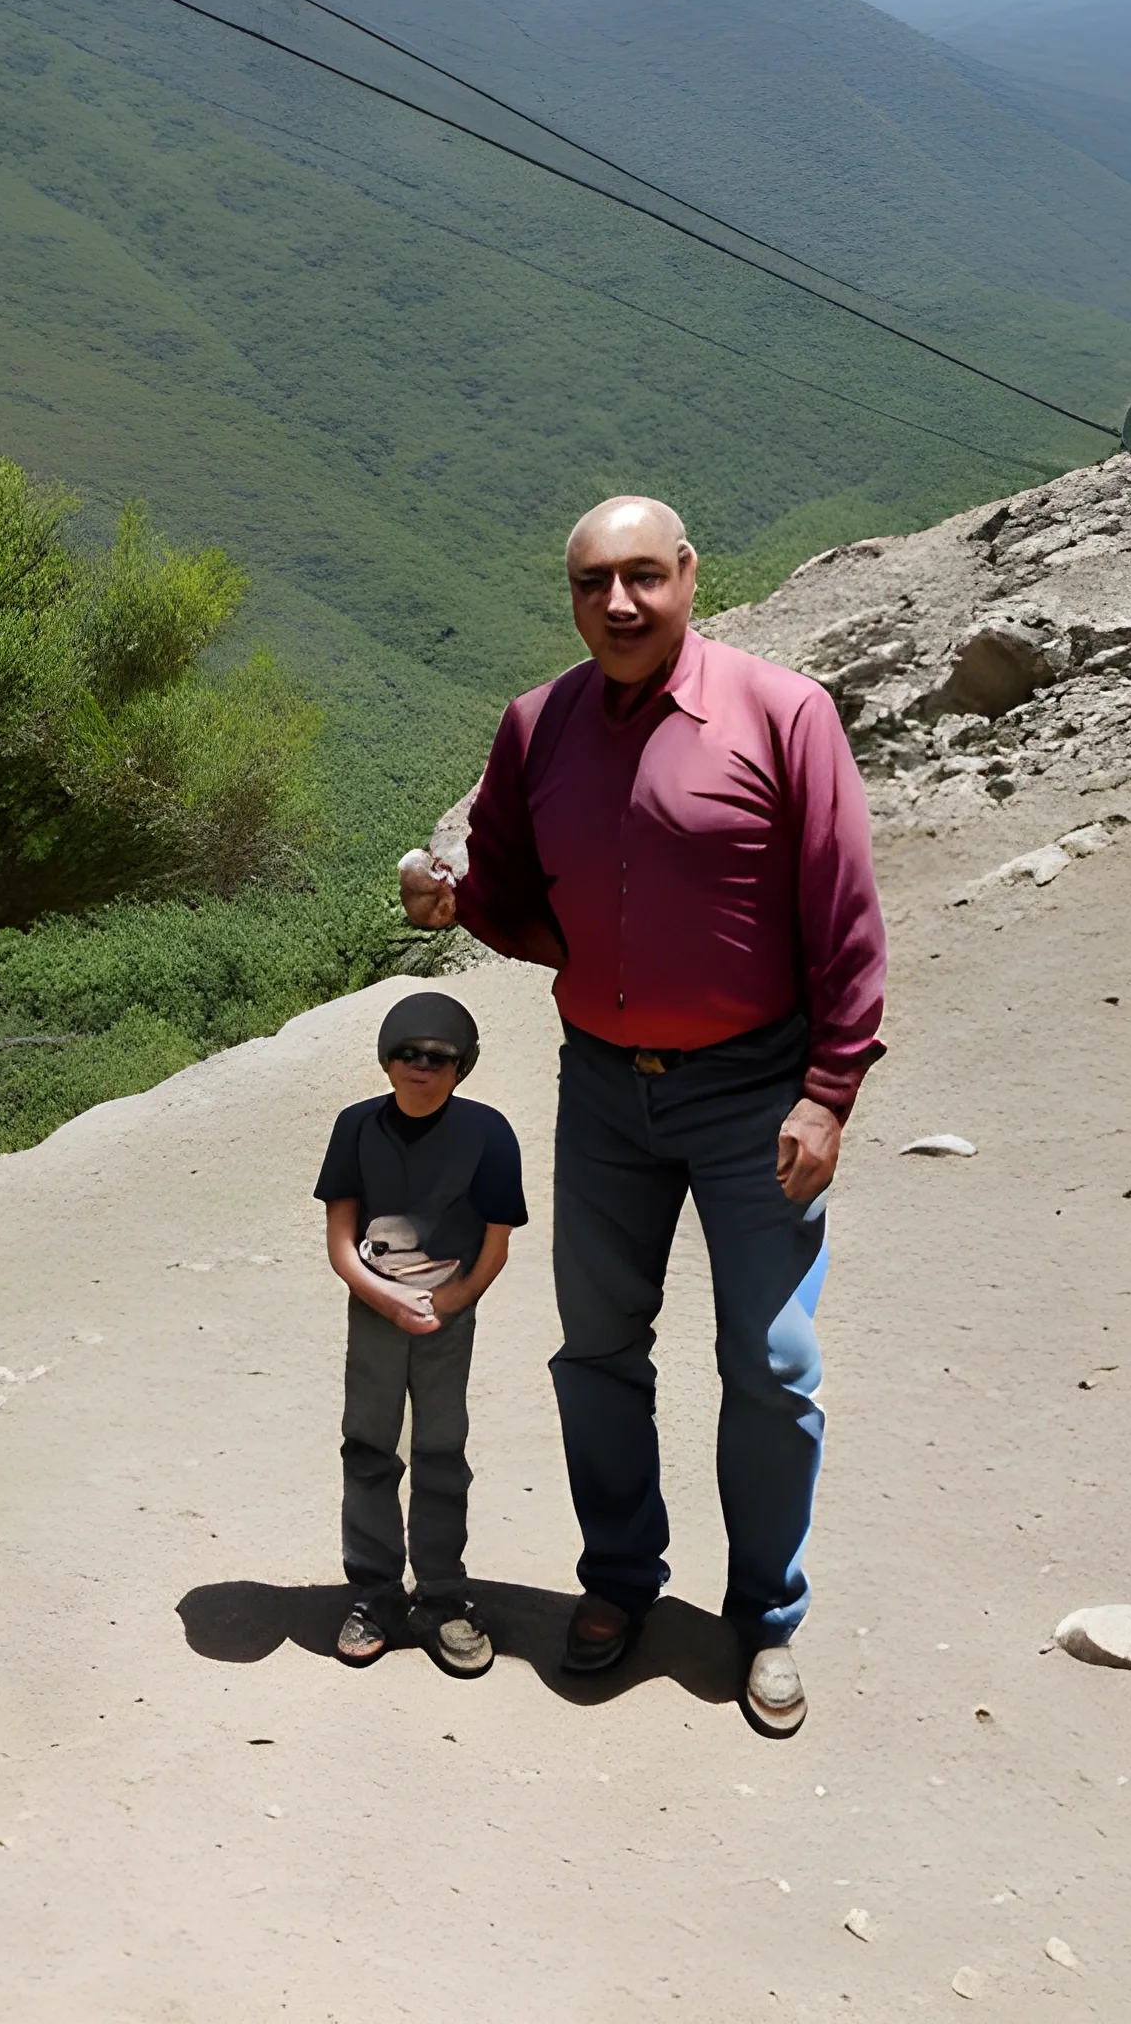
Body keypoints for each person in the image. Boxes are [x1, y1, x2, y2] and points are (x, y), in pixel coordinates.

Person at [398, 497, 885, 1737]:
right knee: (596, 1350)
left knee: (768, 1367)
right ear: (568, 595)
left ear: (686, 577)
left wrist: (826, 1092)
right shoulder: (536, 724)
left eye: (639, 578)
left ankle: (763, 1616)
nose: (615, 604)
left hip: (752, 1091)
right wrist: (447, 900)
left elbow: (842, 922)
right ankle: (619, 1580)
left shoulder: (785, 715)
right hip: (603, 1085)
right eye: (588, 583)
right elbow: (502, 883)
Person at [314, 991, 528, 1677]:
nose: (419, 1066)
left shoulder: (489, 1134)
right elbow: (341, 1240)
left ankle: (441, 1596)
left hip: (448, 1315)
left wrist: (450, 1300)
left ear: (462, 1066)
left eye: (438, 1057)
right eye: (406, 1053)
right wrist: (382, 1296)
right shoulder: (356, 1128)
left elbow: (496, 1245)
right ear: (385, 1059)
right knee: (368, 1446)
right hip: (373, 1309)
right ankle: (375, 1593)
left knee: (441, 1449)